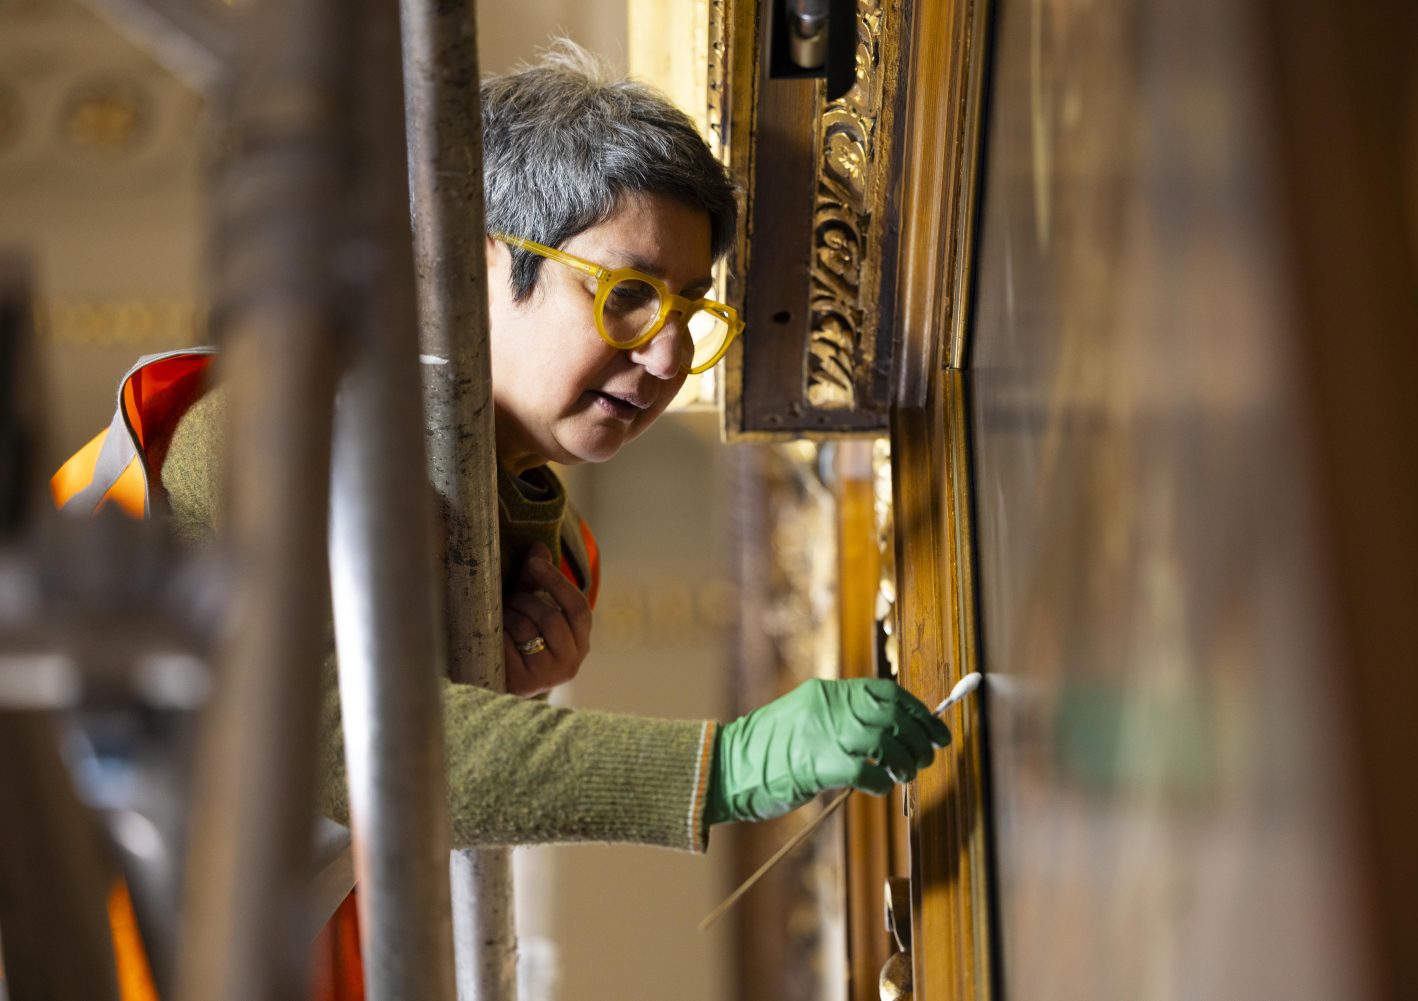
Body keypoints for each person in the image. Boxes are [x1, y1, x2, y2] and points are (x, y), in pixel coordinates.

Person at [52, 42, 950, 995]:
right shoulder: (275, 424)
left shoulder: (550, 554)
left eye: (691, 308)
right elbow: (332, 741)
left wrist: (491, 690)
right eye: (628, 293)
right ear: (475, 264)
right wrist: (728, 763)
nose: (670, 354)